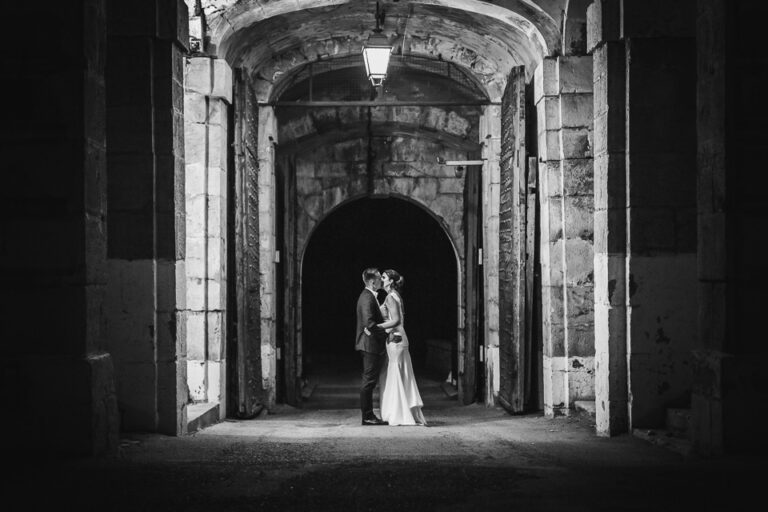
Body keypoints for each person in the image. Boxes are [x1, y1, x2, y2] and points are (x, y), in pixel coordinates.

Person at [377, 269, 427, 426]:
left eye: (383, 277)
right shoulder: (396, 296)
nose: (381, 279)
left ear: (391, 281)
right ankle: (401, 411)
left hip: (396, 339)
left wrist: (376, 327)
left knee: (396, 375)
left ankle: (399, 413)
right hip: (399, 339)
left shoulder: (391, 297)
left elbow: (396, 320)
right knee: (399, 374)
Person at [356, 268, 388, 426]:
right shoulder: (367, 297)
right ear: (372, 281)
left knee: (369, 380)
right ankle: (367, 416)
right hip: (370, 344)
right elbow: (369, 323)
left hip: (369, 343)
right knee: (368, 381)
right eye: (379, 279)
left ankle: (368, 415)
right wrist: (386, 334)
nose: (381, 281)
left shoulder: (368, 296)